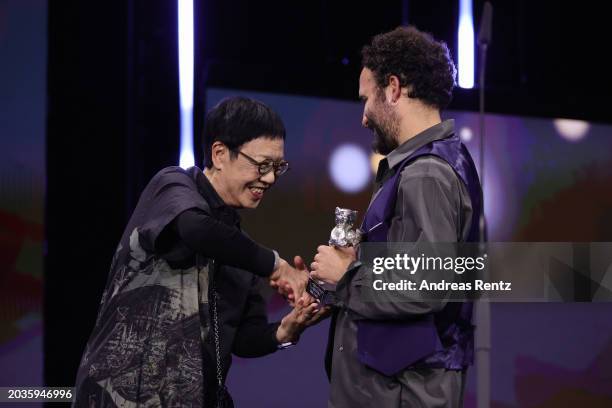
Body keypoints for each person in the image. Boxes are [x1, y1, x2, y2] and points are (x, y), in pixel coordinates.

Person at [73, 96, 323, 407]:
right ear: (219, 154)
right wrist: (276, 265)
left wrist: (284, 331)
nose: (270, 178)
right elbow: (195, 230)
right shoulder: (172, 187)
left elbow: (242, 338)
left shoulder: (237, 246)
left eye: (277, 167)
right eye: (262, 165)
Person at [309, 26, 483, 407]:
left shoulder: (426, 172)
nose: (364, 117)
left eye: (366, 99)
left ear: (393, 88)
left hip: (400, 394)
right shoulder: (433, 164)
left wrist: (347, 277)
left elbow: (426, 285)